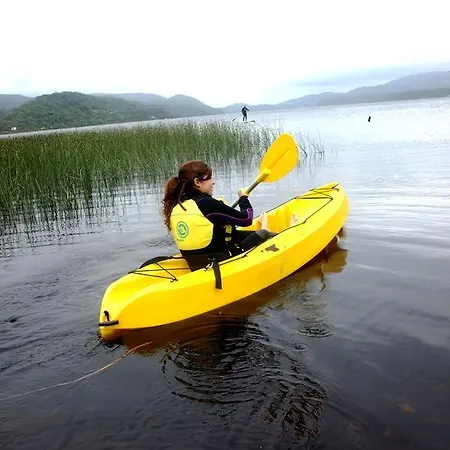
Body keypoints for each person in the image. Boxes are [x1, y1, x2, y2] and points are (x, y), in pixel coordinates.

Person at [162, 160, 276, 271]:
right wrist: (243, 198)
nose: (213, 182)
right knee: (264, 233)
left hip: (195, 262)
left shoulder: (178, 206)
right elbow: (246, 219)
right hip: (220, 261)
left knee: (236, 233)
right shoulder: (205, 203)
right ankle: (269, 231)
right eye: (209, 178)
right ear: (197, 182)